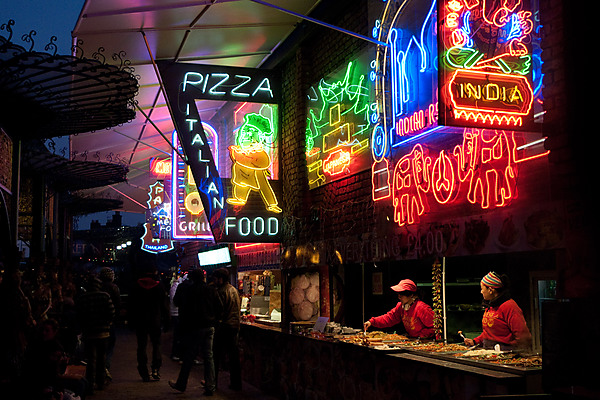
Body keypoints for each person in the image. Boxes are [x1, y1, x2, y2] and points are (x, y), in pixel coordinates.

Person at [169, 269, 223, 396]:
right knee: (208, 357)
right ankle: (210, 386)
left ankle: (181, 384)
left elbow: (178, 303)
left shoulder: (188, 290)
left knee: (189, 356)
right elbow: (220, 307)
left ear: (191, 278)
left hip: (194, 327)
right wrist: (214, 319)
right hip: (209, 327)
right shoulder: (211, 290)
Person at [463, 271, 532, 351]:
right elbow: (489, 333)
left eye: (482, 289)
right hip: (489, 352)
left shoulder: (509, 306)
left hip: (506, 353)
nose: (481, 292)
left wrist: (518, 352)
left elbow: (523, 335)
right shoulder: (490, 307)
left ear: (491, 290)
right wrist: (475, 341)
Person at [75, 275, 115, 395]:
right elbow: (112, 312)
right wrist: (108, 323)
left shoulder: (83, 298)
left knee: (91, 359)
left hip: (89, 333)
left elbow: (79, 315)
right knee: (101, 358)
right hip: (103, 333)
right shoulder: (105, 296)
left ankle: (90, 384)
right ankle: (101, 382)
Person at [128, 268, 169, 382]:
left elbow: (131, 306)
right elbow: (164, 306)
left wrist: (130, 322)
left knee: (141, 346)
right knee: (156, 344)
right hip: (155, 320)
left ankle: (143, 371)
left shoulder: (136, 286)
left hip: (140, 321)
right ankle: (155, 368)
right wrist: (167, 320)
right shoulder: (159, 286)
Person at [363, 279, 435, 339]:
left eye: (402, 294)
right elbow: (389, 318)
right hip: (414, 341)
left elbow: (435, 327)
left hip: (426, 343)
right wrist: (372, 322)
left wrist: (420, 335)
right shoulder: (401, 306)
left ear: (411, 295)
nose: (399, 297)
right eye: (398, 294)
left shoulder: (422, 308)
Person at [212, 268, 242, 391]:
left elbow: (219, 310)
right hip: (234, 326)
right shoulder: (233, 290)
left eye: (215, 279)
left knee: (215, 355)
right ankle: (236, 383)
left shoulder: (221, 291)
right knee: (233, 357)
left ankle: (212, 382)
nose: (214, 281)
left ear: (220, 279)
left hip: (224, 326)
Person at [98, 267, 121, 380]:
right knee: (110, 345)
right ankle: (105, 366)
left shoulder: (98, 288)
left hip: (97, 321)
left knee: (100, 347)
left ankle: (100, 369)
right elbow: (117, 305)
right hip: (109, 321)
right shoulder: (114, 288)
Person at [168, 272, 186, 361]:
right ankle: (175, 353)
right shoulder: (176, 288)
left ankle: (176, 353)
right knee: (178, 335)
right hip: (176, 313)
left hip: (176, 313)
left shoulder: (174, 287)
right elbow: (176, 301)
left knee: (178, 334)